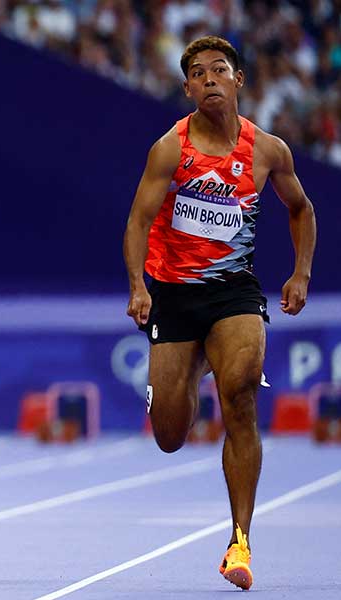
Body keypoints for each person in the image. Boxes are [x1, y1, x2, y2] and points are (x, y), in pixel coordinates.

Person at [123, 36, 316, 590]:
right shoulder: (170, 149)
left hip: (235, 291)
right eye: (197, 74)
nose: (208, 79)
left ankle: (239, 540)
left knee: (240, 395)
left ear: (238, 81)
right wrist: (138, 286)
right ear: (186, 89)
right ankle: (193, 366)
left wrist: (301, 272)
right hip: (174, 296)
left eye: (218, 70)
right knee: (169, 435)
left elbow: (301, 209)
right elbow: (137, 222)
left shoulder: (268, 151)